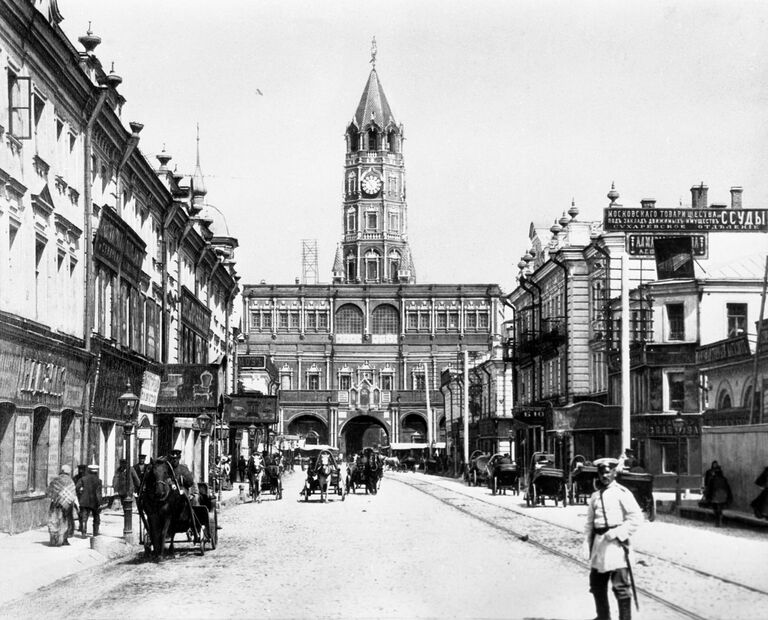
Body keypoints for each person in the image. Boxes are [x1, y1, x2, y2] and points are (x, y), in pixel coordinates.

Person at [583, 457, 643, 620]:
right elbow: (589, 524)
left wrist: (617, 532)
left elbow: (636, 518)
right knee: (596, 585)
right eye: (601, 473)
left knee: (620, 587)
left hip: (616, 546)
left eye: (608, 472)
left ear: (614, 473)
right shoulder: (595, 496)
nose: (604, 476)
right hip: (599, 546)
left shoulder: (622, 493)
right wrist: (586, 544)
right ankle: (603, 617)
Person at [46, 464, 79, 546]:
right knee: (66, 520)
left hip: (56, 503)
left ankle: (55, 539)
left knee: (55, 520)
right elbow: (73, 493)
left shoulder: (56, 480)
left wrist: (55, 497)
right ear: (68, 472)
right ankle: (65, 539)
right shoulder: (70, 481)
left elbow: (48, 491)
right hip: (67, 505)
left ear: (61, 471)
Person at [76, 464, 103, 537]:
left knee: (84, 518)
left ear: (89, 471)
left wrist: (80, 495)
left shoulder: (83, 479)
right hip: (95, 501)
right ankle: (95, 533)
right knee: (96, 518)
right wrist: (100, 503)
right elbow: (99, 493)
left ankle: (84, 533)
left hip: (84, 501)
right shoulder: (99, 481)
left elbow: (77, 488)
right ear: (96, 472)